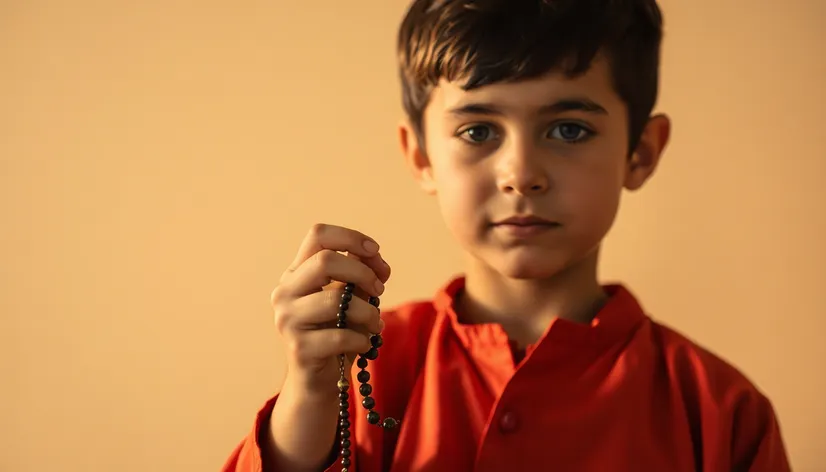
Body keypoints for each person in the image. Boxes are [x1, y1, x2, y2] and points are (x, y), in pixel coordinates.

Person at [222, 0, 791, 470]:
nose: (521, 174)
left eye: (569, 129)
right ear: (420, 155)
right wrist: (308, 396)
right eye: (477, 130)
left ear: (640, 153)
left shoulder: (720, 413)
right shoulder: (363, 369)